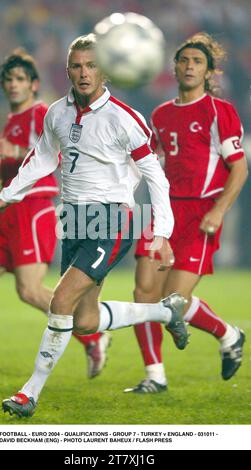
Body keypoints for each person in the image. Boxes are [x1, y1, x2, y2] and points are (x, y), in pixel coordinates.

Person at [0, 34, 189, 418]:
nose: (84, 73)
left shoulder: (125, 119)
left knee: (60, 301)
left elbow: (155, 178)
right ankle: (166, 313)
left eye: (91, 65)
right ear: (67, 70)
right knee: (84, 321)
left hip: (111, 219)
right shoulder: (56, 113)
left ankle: (30, 393)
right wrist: (9, 193)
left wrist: (161, 230)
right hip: (74, 219)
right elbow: (42, 158)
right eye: (77, 66)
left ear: (105, 70)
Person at [0, 48, 111, 380]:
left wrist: (14, 152)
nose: (13, 85)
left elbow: (55, 156)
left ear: (33, 84)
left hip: (33, 210)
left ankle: (92, 334)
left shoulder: (41, 113)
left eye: (20, 79)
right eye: (8, 80)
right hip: (6, 215)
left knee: (30, 290)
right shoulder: (11, 119)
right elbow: (22, 163)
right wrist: (0, 168)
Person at [125, 32, 248, 394]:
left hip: (200, 211)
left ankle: (228, 334)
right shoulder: (161, 114)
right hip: (163, 212)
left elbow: (239, 168)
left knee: (172, 302)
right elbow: (153, 165)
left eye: (197, 61)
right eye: (184, 60)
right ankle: (155, 376)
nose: (190, 66)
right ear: (174, 68)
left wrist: (220, 210)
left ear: (209, 71)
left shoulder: (218, 111)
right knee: (143, 293)